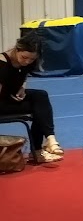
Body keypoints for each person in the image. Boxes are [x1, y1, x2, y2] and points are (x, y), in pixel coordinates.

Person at [0, 34, 63, 163]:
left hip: (10, 97)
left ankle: (50, 139)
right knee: (39, 109)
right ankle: (40, 150)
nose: (27, 62)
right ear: (17, 49)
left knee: (41, 96)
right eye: (24, 57)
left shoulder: (28, 62)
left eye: (32, 59)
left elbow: (23, 76)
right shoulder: (2, 63)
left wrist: (22, 87)